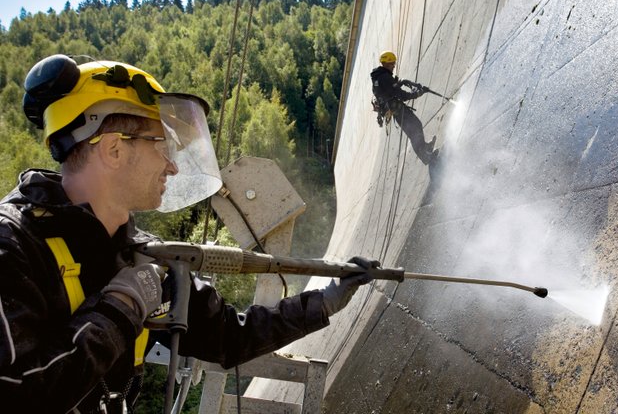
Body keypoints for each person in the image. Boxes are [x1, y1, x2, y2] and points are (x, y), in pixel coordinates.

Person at [0, 54, 377, 413]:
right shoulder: (13, 245)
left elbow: (229, 335)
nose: (172, 167)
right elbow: (17, 395)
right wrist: (122, 308)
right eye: (162, 146)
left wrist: (321, 303)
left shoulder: (143, 256)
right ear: (114, 149)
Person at [371, 51, 438, 164]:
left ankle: (426, 148)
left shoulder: (378, 78)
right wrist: (416, 94)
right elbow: (401, 95)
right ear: (386, 64)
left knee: (416, 127)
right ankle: (425, 157)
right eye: (392, 64)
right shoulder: (385, 77)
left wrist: (400, 83)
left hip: (394, 110)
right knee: (414, 130)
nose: (393, 66)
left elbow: (388, 90)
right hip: (398, 110)